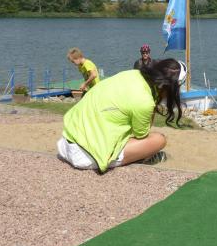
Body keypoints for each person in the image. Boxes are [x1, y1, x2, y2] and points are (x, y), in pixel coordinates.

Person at [57, 59, 185, 173]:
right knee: (159, 140)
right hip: (84, 156)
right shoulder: (145, 101)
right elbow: (141, 135)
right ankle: (136, 159)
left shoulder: (133, 74)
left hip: (66, 141)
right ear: (168, 87)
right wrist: (153, 106)